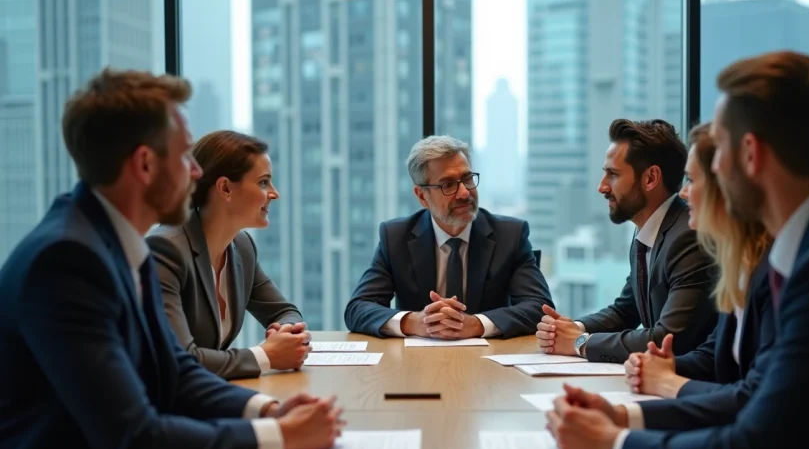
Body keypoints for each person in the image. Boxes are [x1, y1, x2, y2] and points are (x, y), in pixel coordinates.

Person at [0, 69, 344, 449]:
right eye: (185, 156)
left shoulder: (119, 243)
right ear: (145, 164)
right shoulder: (67, 260)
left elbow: (176, 373)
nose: (197, 172)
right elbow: (136, 441)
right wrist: (281, 436)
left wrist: (268, 410)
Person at [545, 51, 809, 449]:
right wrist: (623, 415)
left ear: (750, 155)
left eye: (718, 155)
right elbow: (754, 398)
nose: (690, 188)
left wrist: (612, 444)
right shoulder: (804, 248)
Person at [537, 119, 718, 363]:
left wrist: (580, 342)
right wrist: (572, 328)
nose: (602, 187)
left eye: (612, 174)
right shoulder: (647, 231)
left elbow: (668, 338)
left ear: (651, 178)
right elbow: (625, 311)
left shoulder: (688, 237)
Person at [344, 135, 553, 339]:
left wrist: (477, 324)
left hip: (490, 357)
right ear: (422, 196)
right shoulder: (396, 237)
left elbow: (540, 307)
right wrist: (414, 322)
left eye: (467, 179)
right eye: (448, 185)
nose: (464, 193)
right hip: (417, 359)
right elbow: (358, 309)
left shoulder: (510, 235)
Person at [624, 123, 774, 399]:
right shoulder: (741, 262)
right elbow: (715, 354)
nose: (683, 193)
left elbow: (757, 397)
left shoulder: (772, 271)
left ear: (726, 188)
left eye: (691, 180)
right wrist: (665, 366)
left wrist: (666, 382)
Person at [147, 130, 309, 380]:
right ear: (225, 188)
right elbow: (177, 360)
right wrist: (266, 356)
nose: (274, 193)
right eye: (263, 182)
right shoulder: (165, 250)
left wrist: (286, 332)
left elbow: (283, 311)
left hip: (210, 393)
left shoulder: (242, 247)